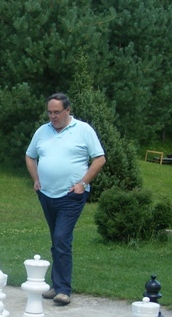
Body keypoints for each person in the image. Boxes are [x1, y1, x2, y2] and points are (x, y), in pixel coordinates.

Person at [25, 93, 106, 306]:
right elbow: (30, 155)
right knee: (57, 239)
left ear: (67, 110)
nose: (53, 116)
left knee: (61, 237)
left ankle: (63, 290)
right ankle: (57, 284)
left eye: (57, 112)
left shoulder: (83, 130)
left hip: (71, 195)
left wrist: (83, 184)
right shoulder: (43, 131)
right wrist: (36, 179)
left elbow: (99, 159)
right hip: (46, 194)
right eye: (49, 112)